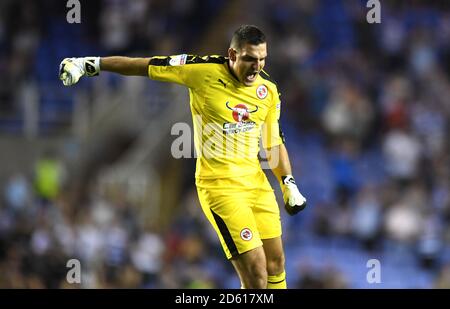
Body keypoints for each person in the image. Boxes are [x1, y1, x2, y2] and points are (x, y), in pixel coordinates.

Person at [59, 25, 307, 289]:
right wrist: (90, 64)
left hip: (257, 185)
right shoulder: (201, 71)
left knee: (276, 263)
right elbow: (144, 65)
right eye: (249, 58)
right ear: (232, 54)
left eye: (262, 59)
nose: (257, 66)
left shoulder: (267, 90)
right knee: (257, 270)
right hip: (221, 187)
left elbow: (273, 143)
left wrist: (288, 182)